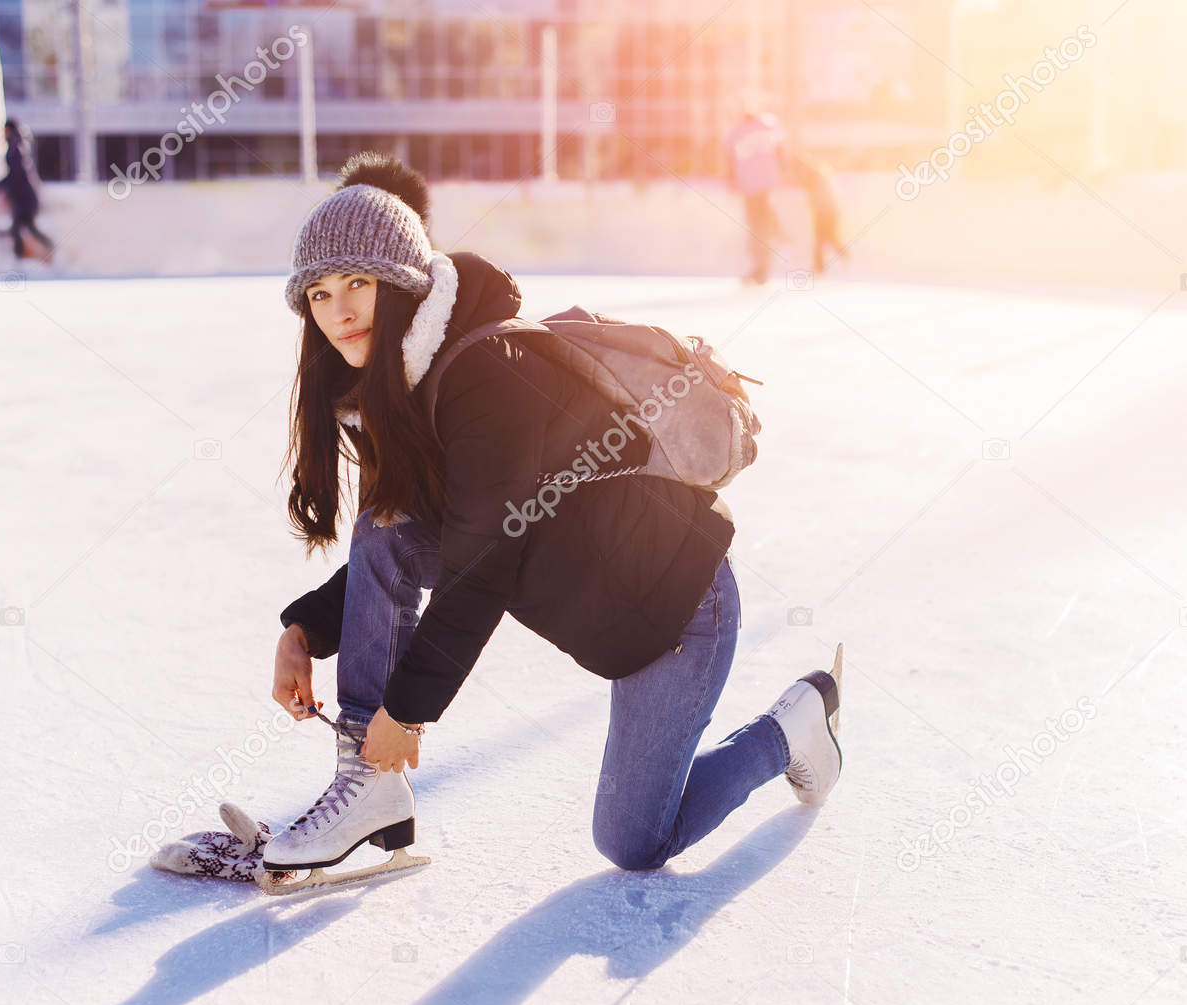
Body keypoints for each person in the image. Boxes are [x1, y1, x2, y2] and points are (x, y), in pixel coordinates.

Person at [262, 151, 844, 881]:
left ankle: (787, 734)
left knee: (634, 843)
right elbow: (410, 539)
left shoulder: (488, 374)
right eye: (317, 294)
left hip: (675, 612)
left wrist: (407, 712)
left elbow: (481, 564)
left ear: (407, 285)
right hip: (589, 587)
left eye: (358, 284)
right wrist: (306, 628)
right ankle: (366, 787)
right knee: (387, 521)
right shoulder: (408, 381)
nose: (338, 310)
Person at [723, 98, 791, 285]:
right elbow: (781, 151)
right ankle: (764, 261)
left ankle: (761, 266)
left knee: (757, 226)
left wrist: (730, 178)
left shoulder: (738, 130)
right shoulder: (767, 124)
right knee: (759, 222)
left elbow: (730, 157)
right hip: (761, 182)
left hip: (753, 183)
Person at [0, 119, 54, 261]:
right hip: (23, 198)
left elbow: (16, 174)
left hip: (24, 198)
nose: (3, 133)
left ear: (9, 130)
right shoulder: (18, 146)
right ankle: (47, 252)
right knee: (24, 229)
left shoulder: (16, 148)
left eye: (5, 130)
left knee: (20, 230)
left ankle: (21, 261)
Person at [796, 153, 848, 275]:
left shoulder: (815, 177)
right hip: (825, 211)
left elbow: (820, 197)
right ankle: (822, 265)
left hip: (825, 212)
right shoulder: (816, 176)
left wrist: (816, 207)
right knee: (824, 239)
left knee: (825, 239)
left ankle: (838, 259)